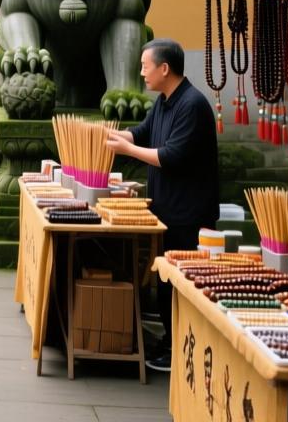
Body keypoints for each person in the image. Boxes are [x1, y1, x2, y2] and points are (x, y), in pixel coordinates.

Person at [106, 38, 219, 373]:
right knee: (165, 284)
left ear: (164, 68)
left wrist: (126, 152)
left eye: (145, 65)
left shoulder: (193, 105)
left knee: (182, 285)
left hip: (189, 214)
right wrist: (113, 136)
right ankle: (170, 342)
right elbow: (141, 133)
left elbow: (171, 156)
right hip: (165, 210)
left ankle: (179, 348)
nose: (141, 72)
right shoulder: (164, 101)